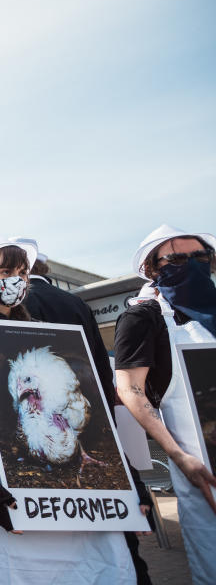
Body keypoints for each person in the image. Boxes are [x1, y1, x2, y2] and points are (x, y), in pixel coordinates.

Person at [0, 235, 135, 583]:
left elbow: (96, 407)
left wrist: (132, 490)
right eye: (7, 271)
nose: (17, 280)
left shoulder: (45, 332)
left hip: (63, 498)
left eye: (22, 272)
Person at [22, 249, 155, 584]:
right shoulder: (74, 303)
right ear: (45, 268)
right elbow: (98, 359)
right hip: (87, 402)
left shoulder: (21, 303)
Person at [114, 224, 216, 583]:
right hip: (203, 470)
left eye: (200, 257)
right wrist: (179, 456)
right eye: (176, 259)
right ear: (152, 268)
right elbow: (130, 390)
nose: (191, 264)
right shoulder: (144, 318)